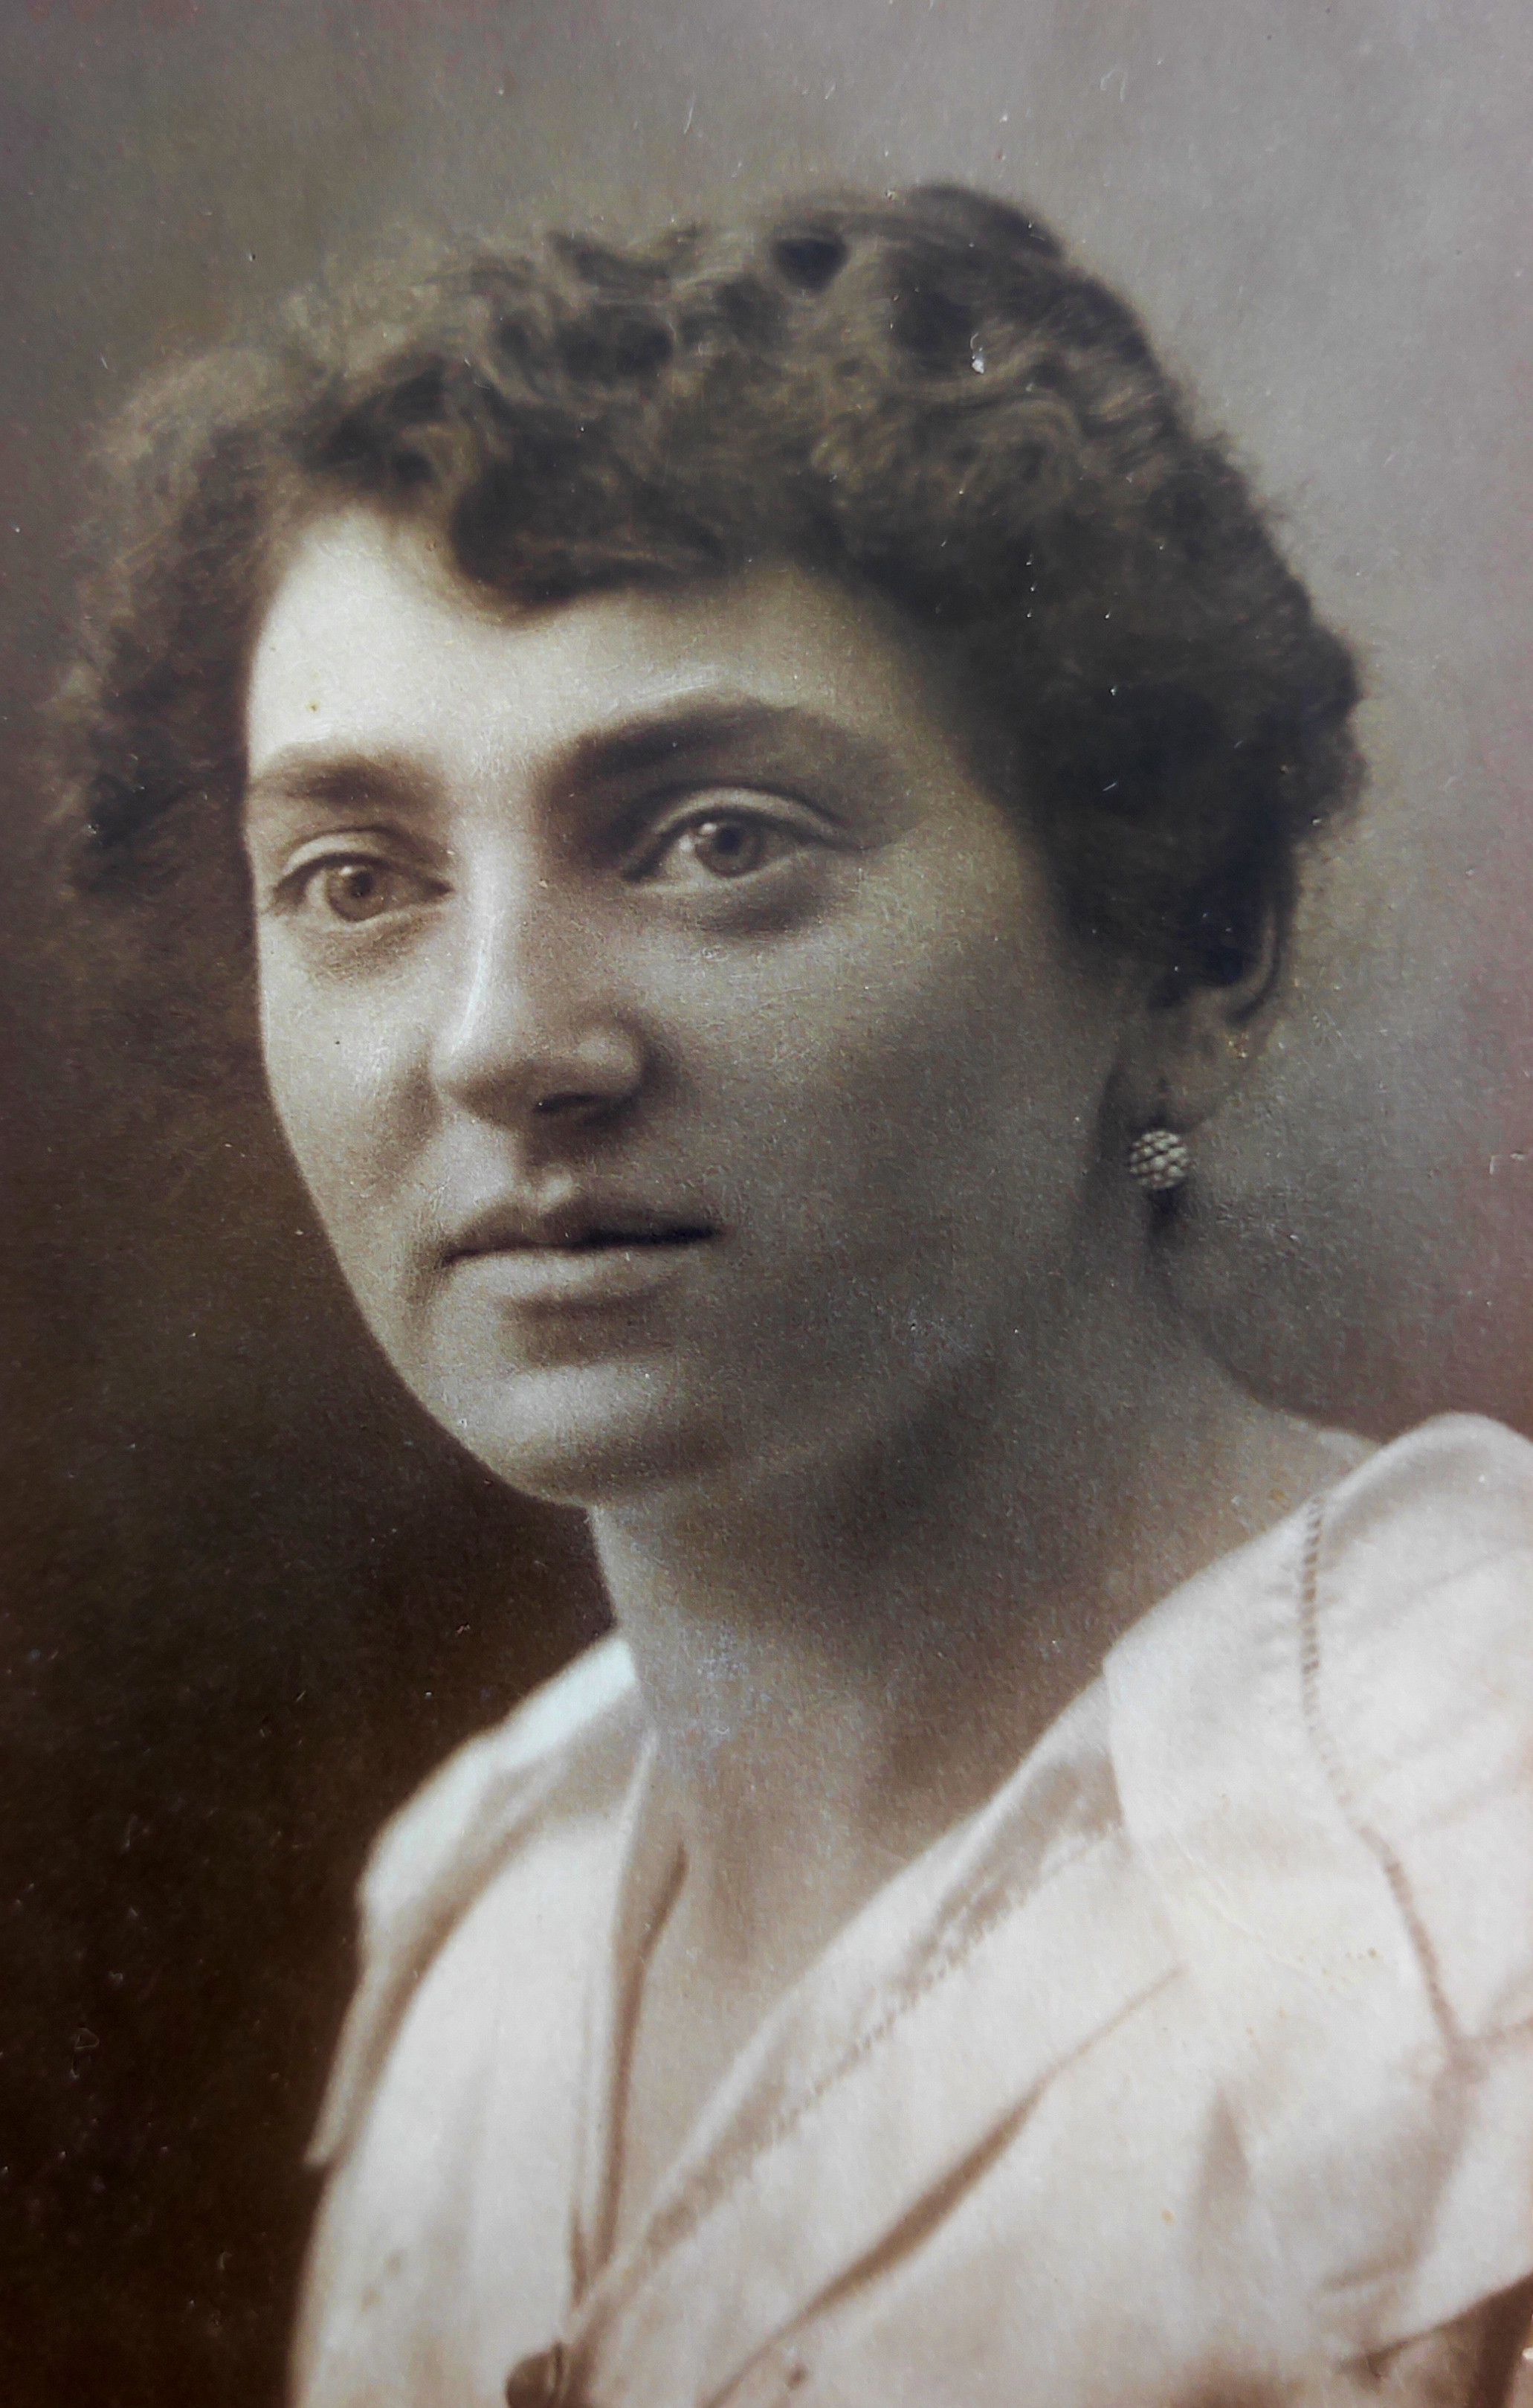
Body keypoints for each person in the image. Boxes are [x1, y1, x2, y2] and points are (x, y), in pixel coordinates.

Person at [56, 185, 1533, 2407]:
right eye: (355, 881)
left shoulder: (1479, 1902)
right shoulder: (477, 1921)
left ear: (1191, 946)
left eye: (717, 841)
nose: (501, 1041)